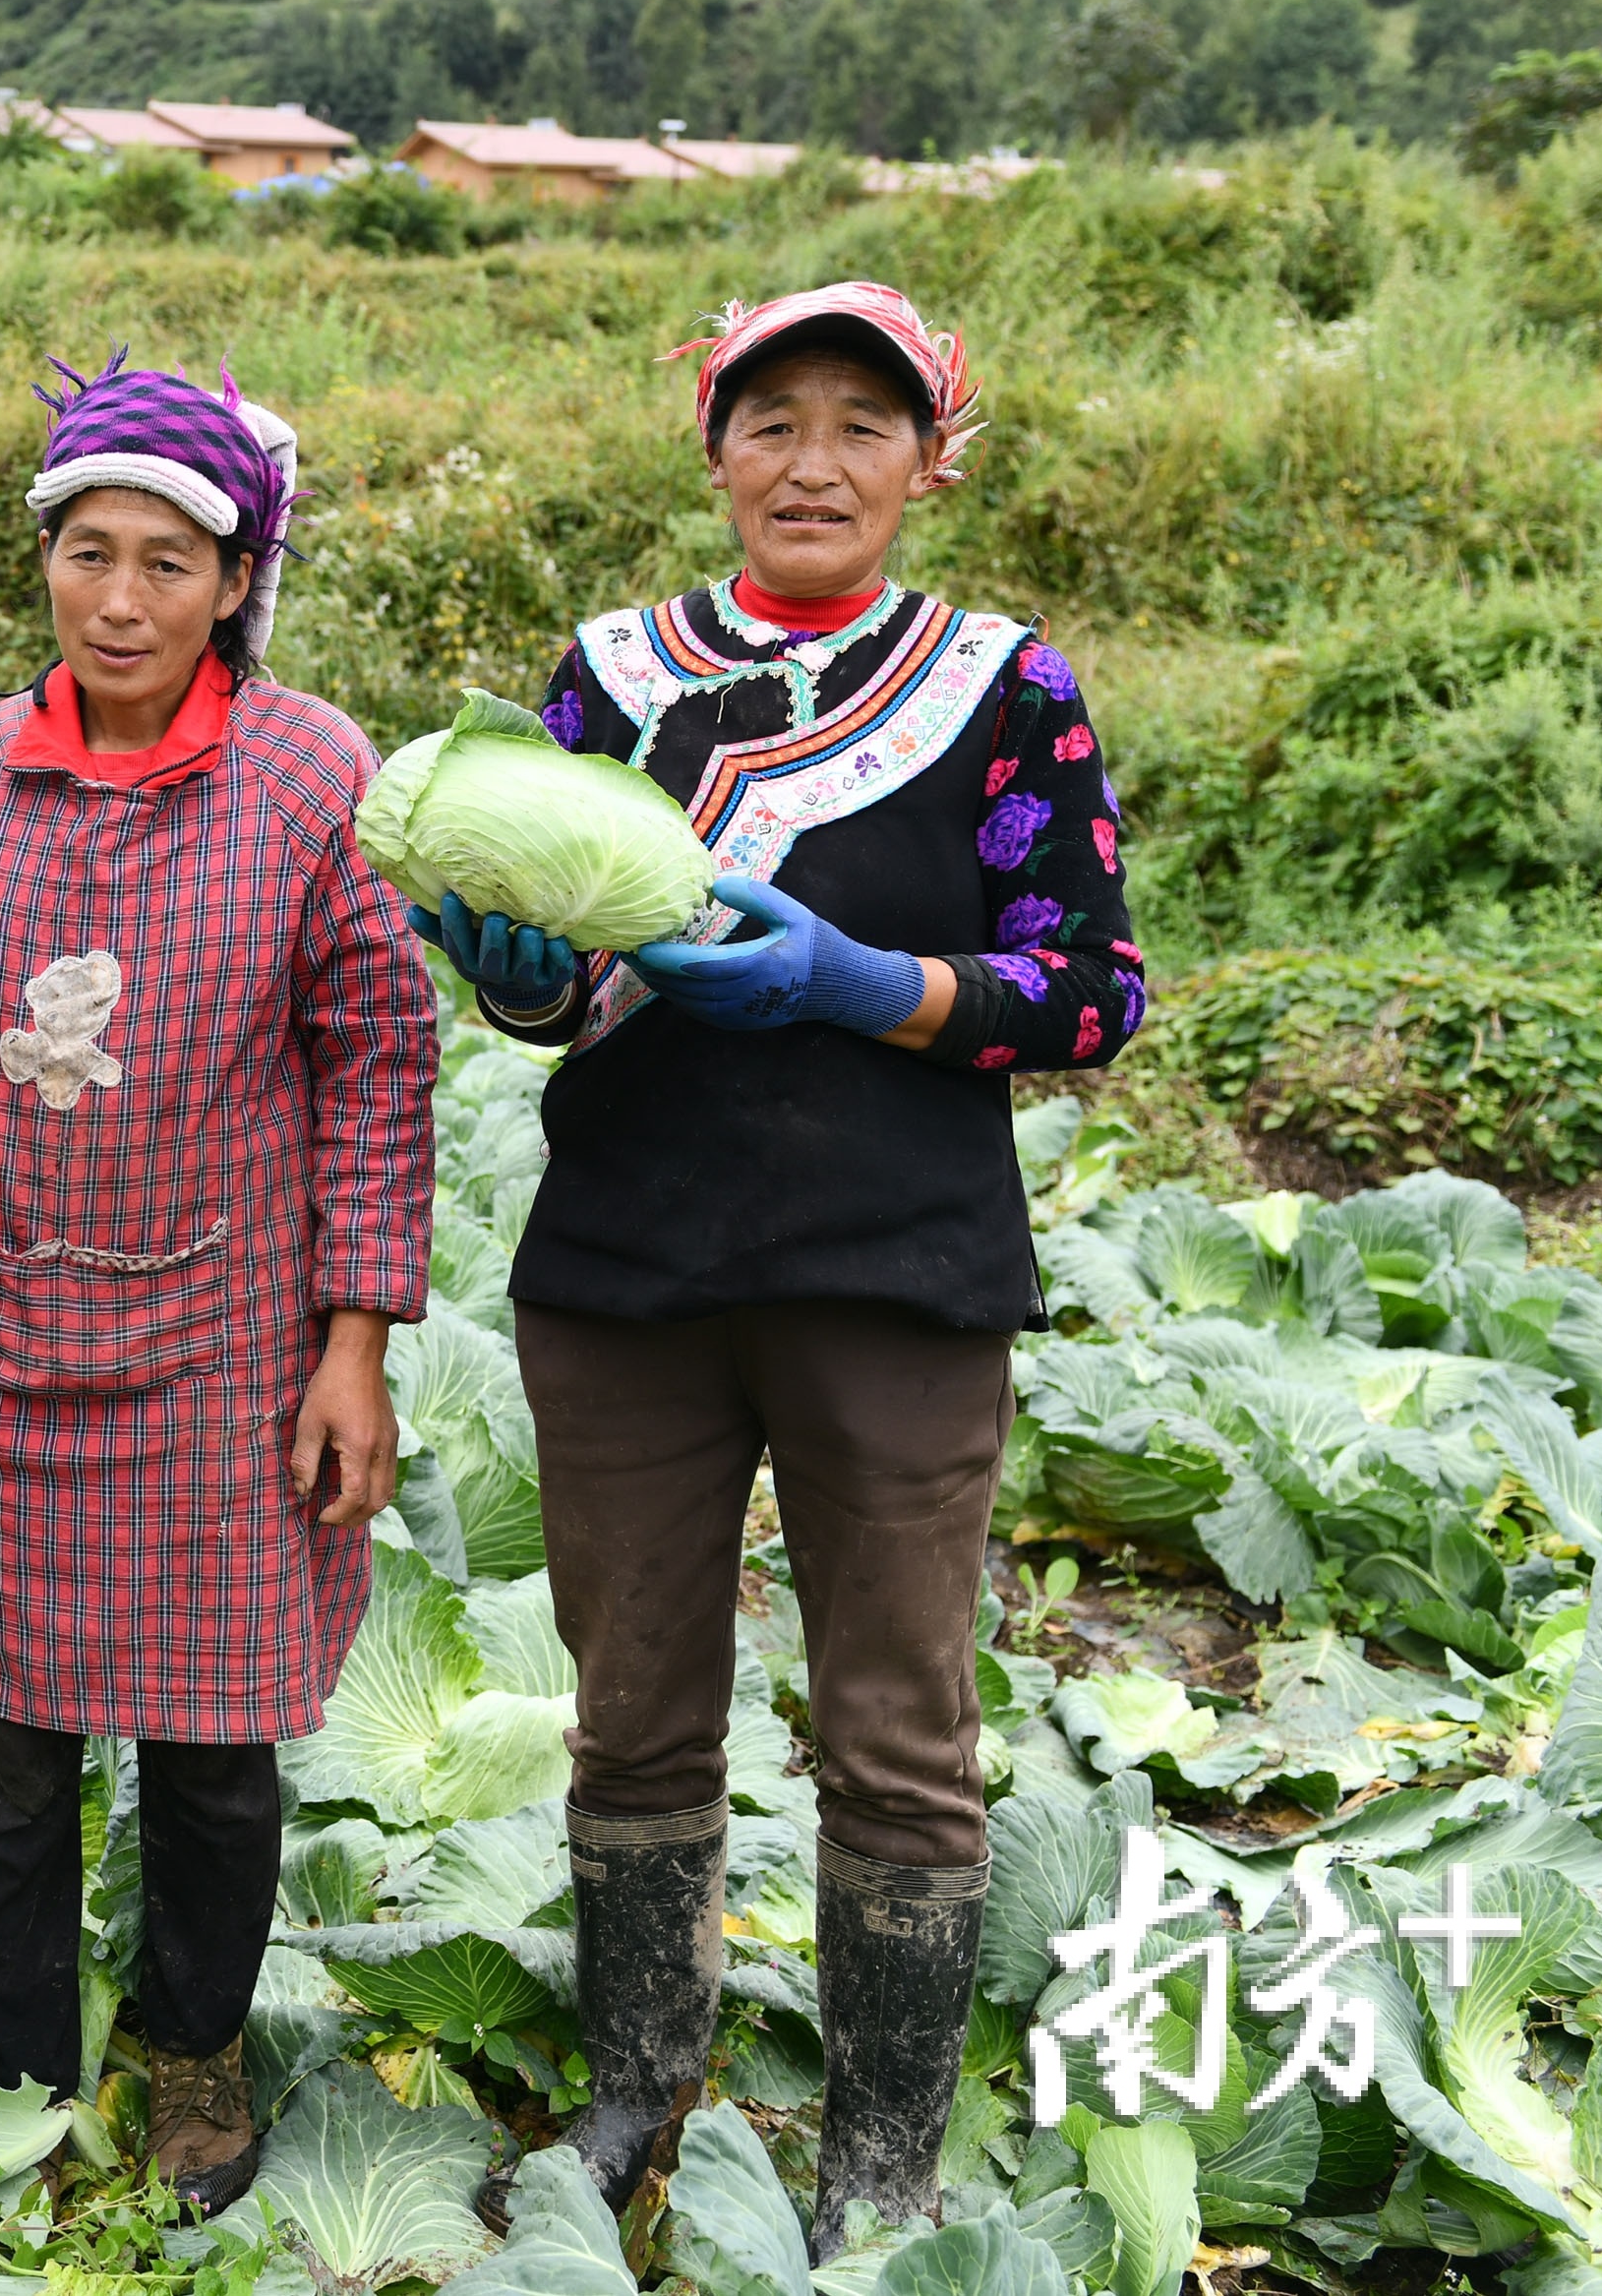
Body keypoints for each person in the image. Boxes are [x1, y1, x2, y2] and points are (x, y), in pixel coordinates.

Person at [408, 282, 1143, 2254]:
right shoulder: (611, 676)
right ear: (711, 445)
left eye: (861, 424)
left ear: (929, 457)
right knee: (630, 1707)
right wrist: (520, 976)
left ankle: (877, 2157)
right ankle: (636, 2091)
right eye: (771, 419)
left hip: (892, 1280)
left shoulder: (999, 687)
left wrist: (859, 985)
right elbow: (549, 968)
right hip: (625, 1275)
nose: (811, 461)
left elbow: (1086, 990)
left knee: (893, 1721)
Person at [0, 357, 440, 2214]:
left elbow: (380, 1061)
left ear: (235, 582)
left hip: (224, 1347)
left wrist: (355, 1346)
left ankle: (200, 2056)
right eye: (85, 552)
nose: (121, 598)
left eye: (165, 560)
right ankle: (19, 2072)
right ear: (41, 565)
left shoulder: (314, 776)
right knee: (7, 1748)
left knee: (216, 1757)